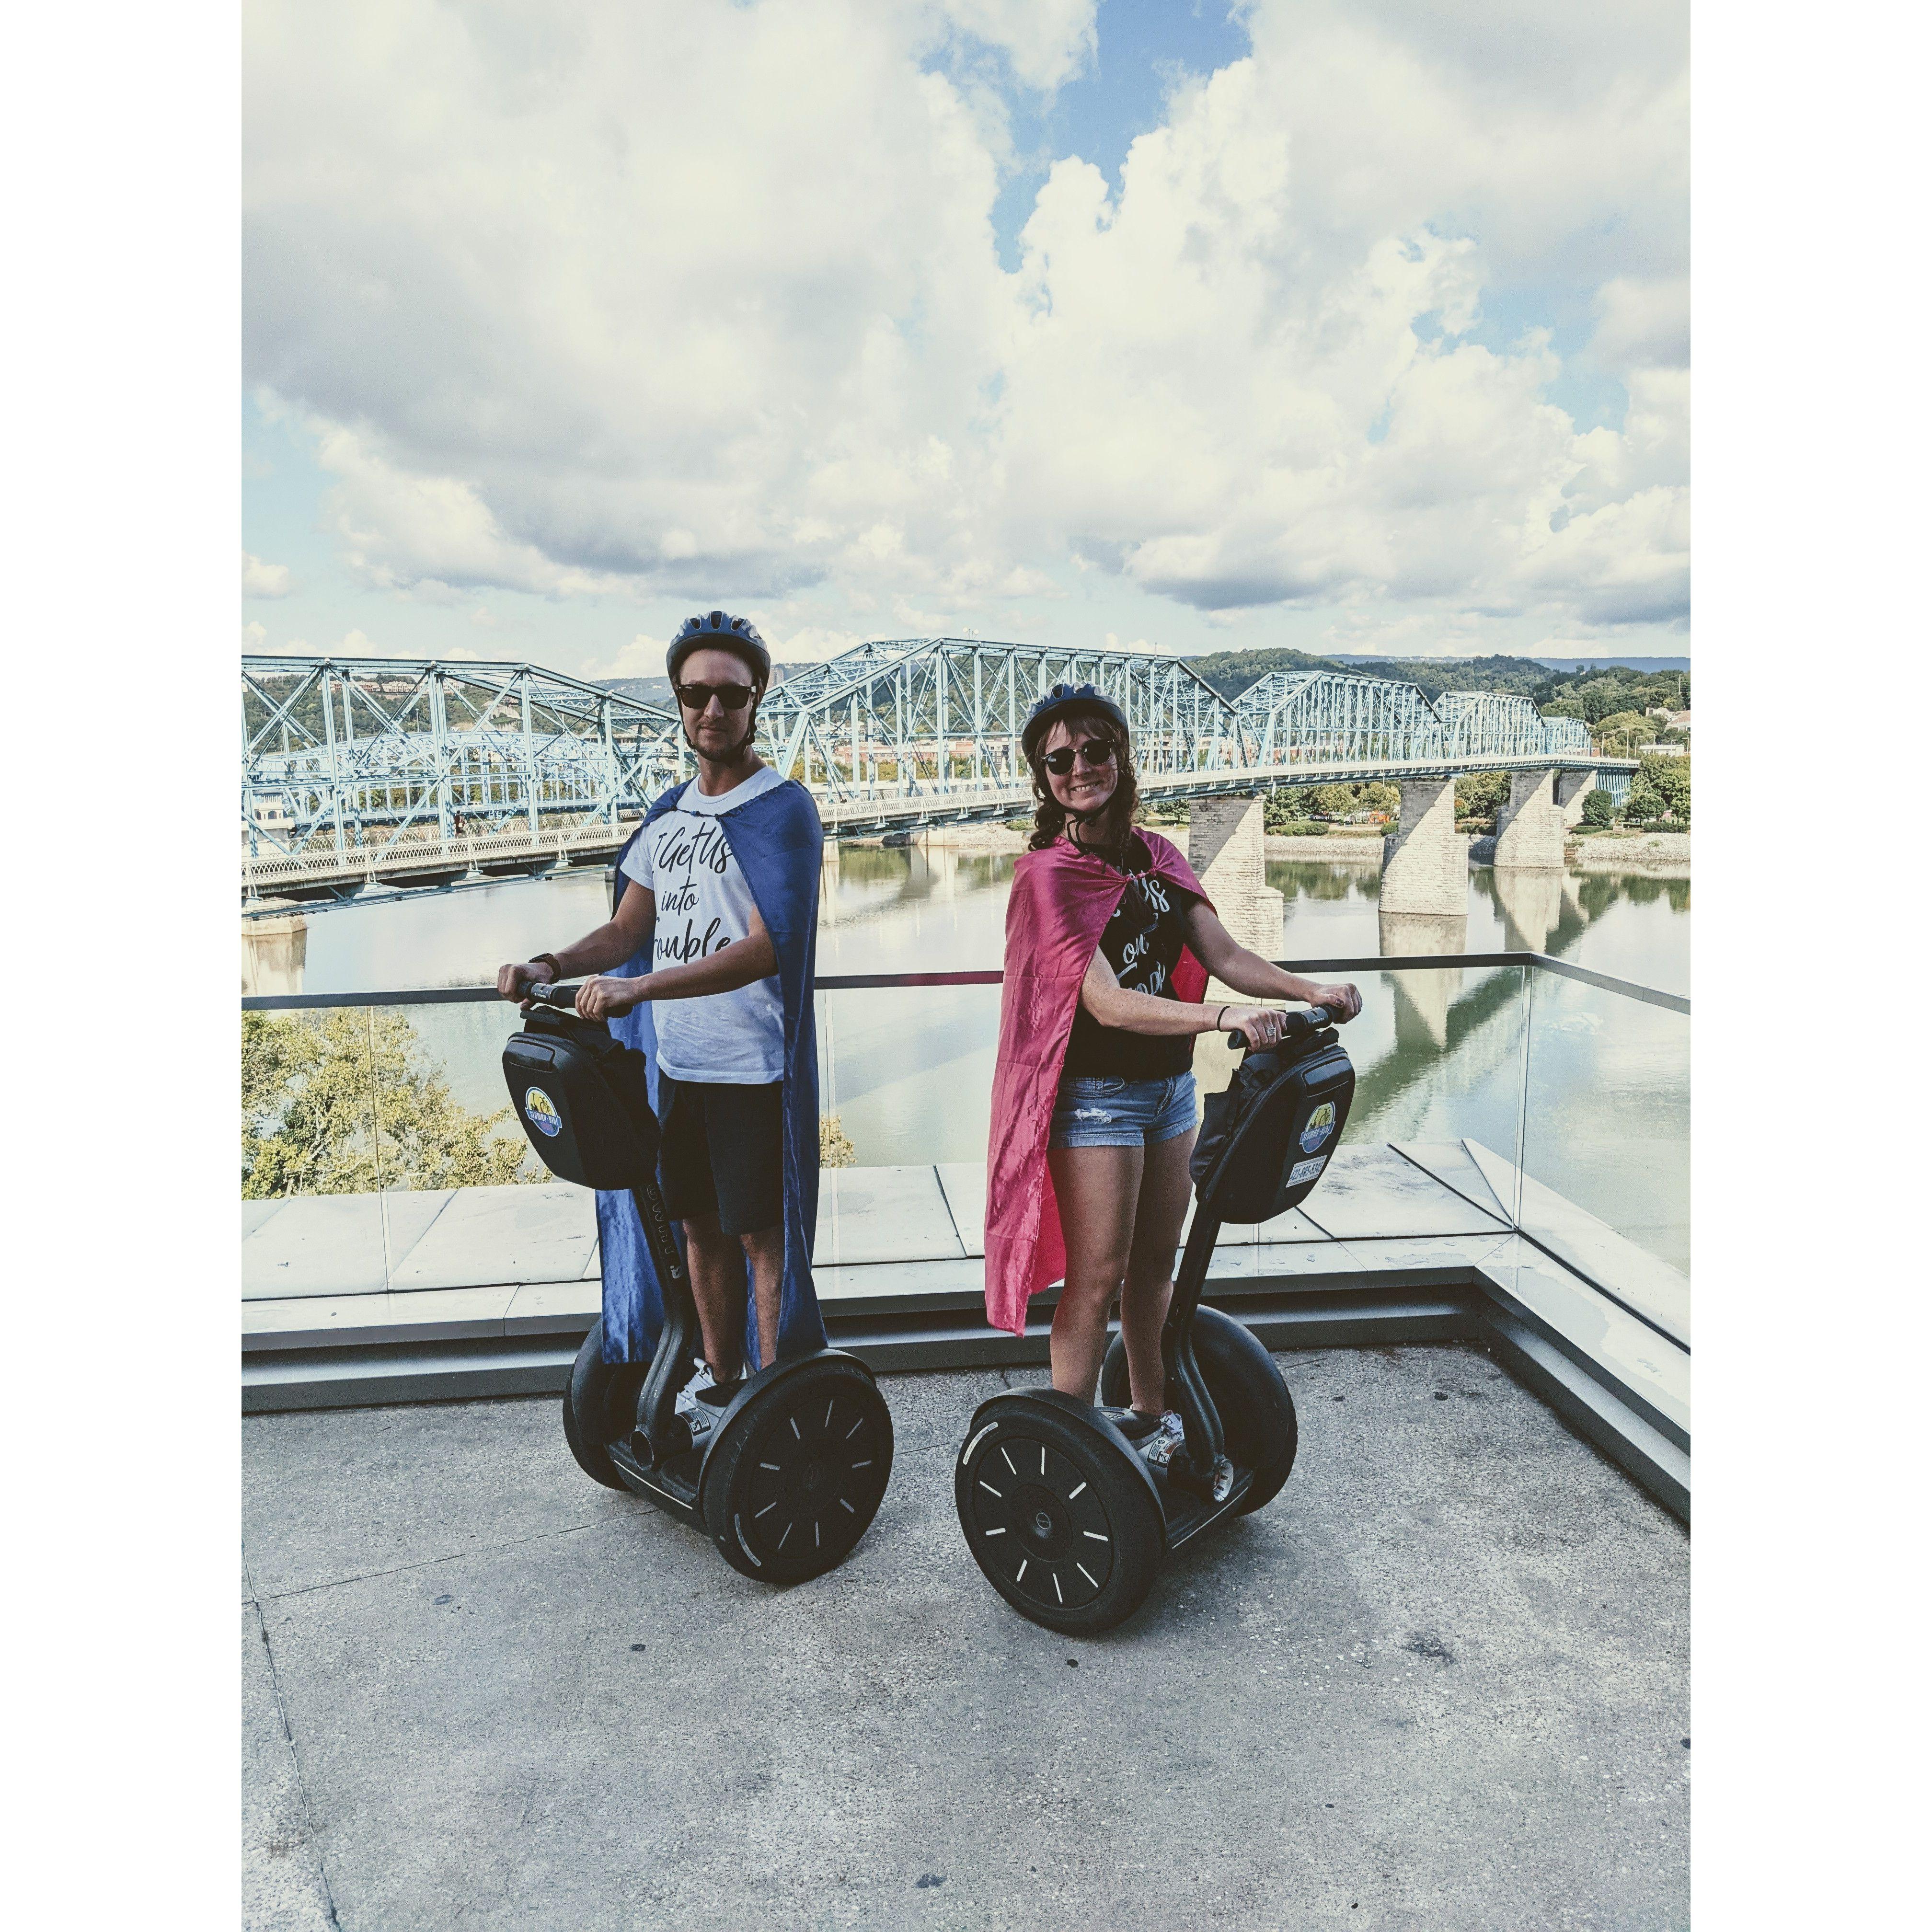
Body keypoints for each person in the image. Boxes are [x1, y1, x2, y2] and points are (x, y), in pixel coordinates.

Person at [983, 683, 1361, 1433]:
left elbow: (1223, 952)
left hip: (1169, 1092)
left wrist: (1308, 989)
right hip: (1094, 1098)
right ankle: (1077, 1443)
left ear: (1123, 757)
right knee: (1095, 1279)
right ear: (1043, 778)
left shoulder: (1157, 856)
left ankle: (1152, 1418)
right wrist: (1226, 1016)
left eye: (1096, 750)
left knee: (1156, 1269)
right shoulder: (1047, 877)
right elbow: (1106, 1002)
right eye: (1059, 759)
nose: (1079, 767)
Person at [496, 610, 827, 1433]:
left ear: (758, 700)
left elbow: (768, 950)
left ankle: (774, 1402)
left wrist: (638, 994)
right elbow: (625, 931)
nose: (711, 711)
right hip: (677, 1069)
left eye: (729, 694)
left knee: (761, 1239)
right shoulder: (668, 814)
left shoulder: (783, 808)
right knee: (697, 1233)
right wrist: (551, 967)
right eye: (693, 695)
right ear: (678, 703)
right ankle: (720, 1392)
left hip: (751, 1068)